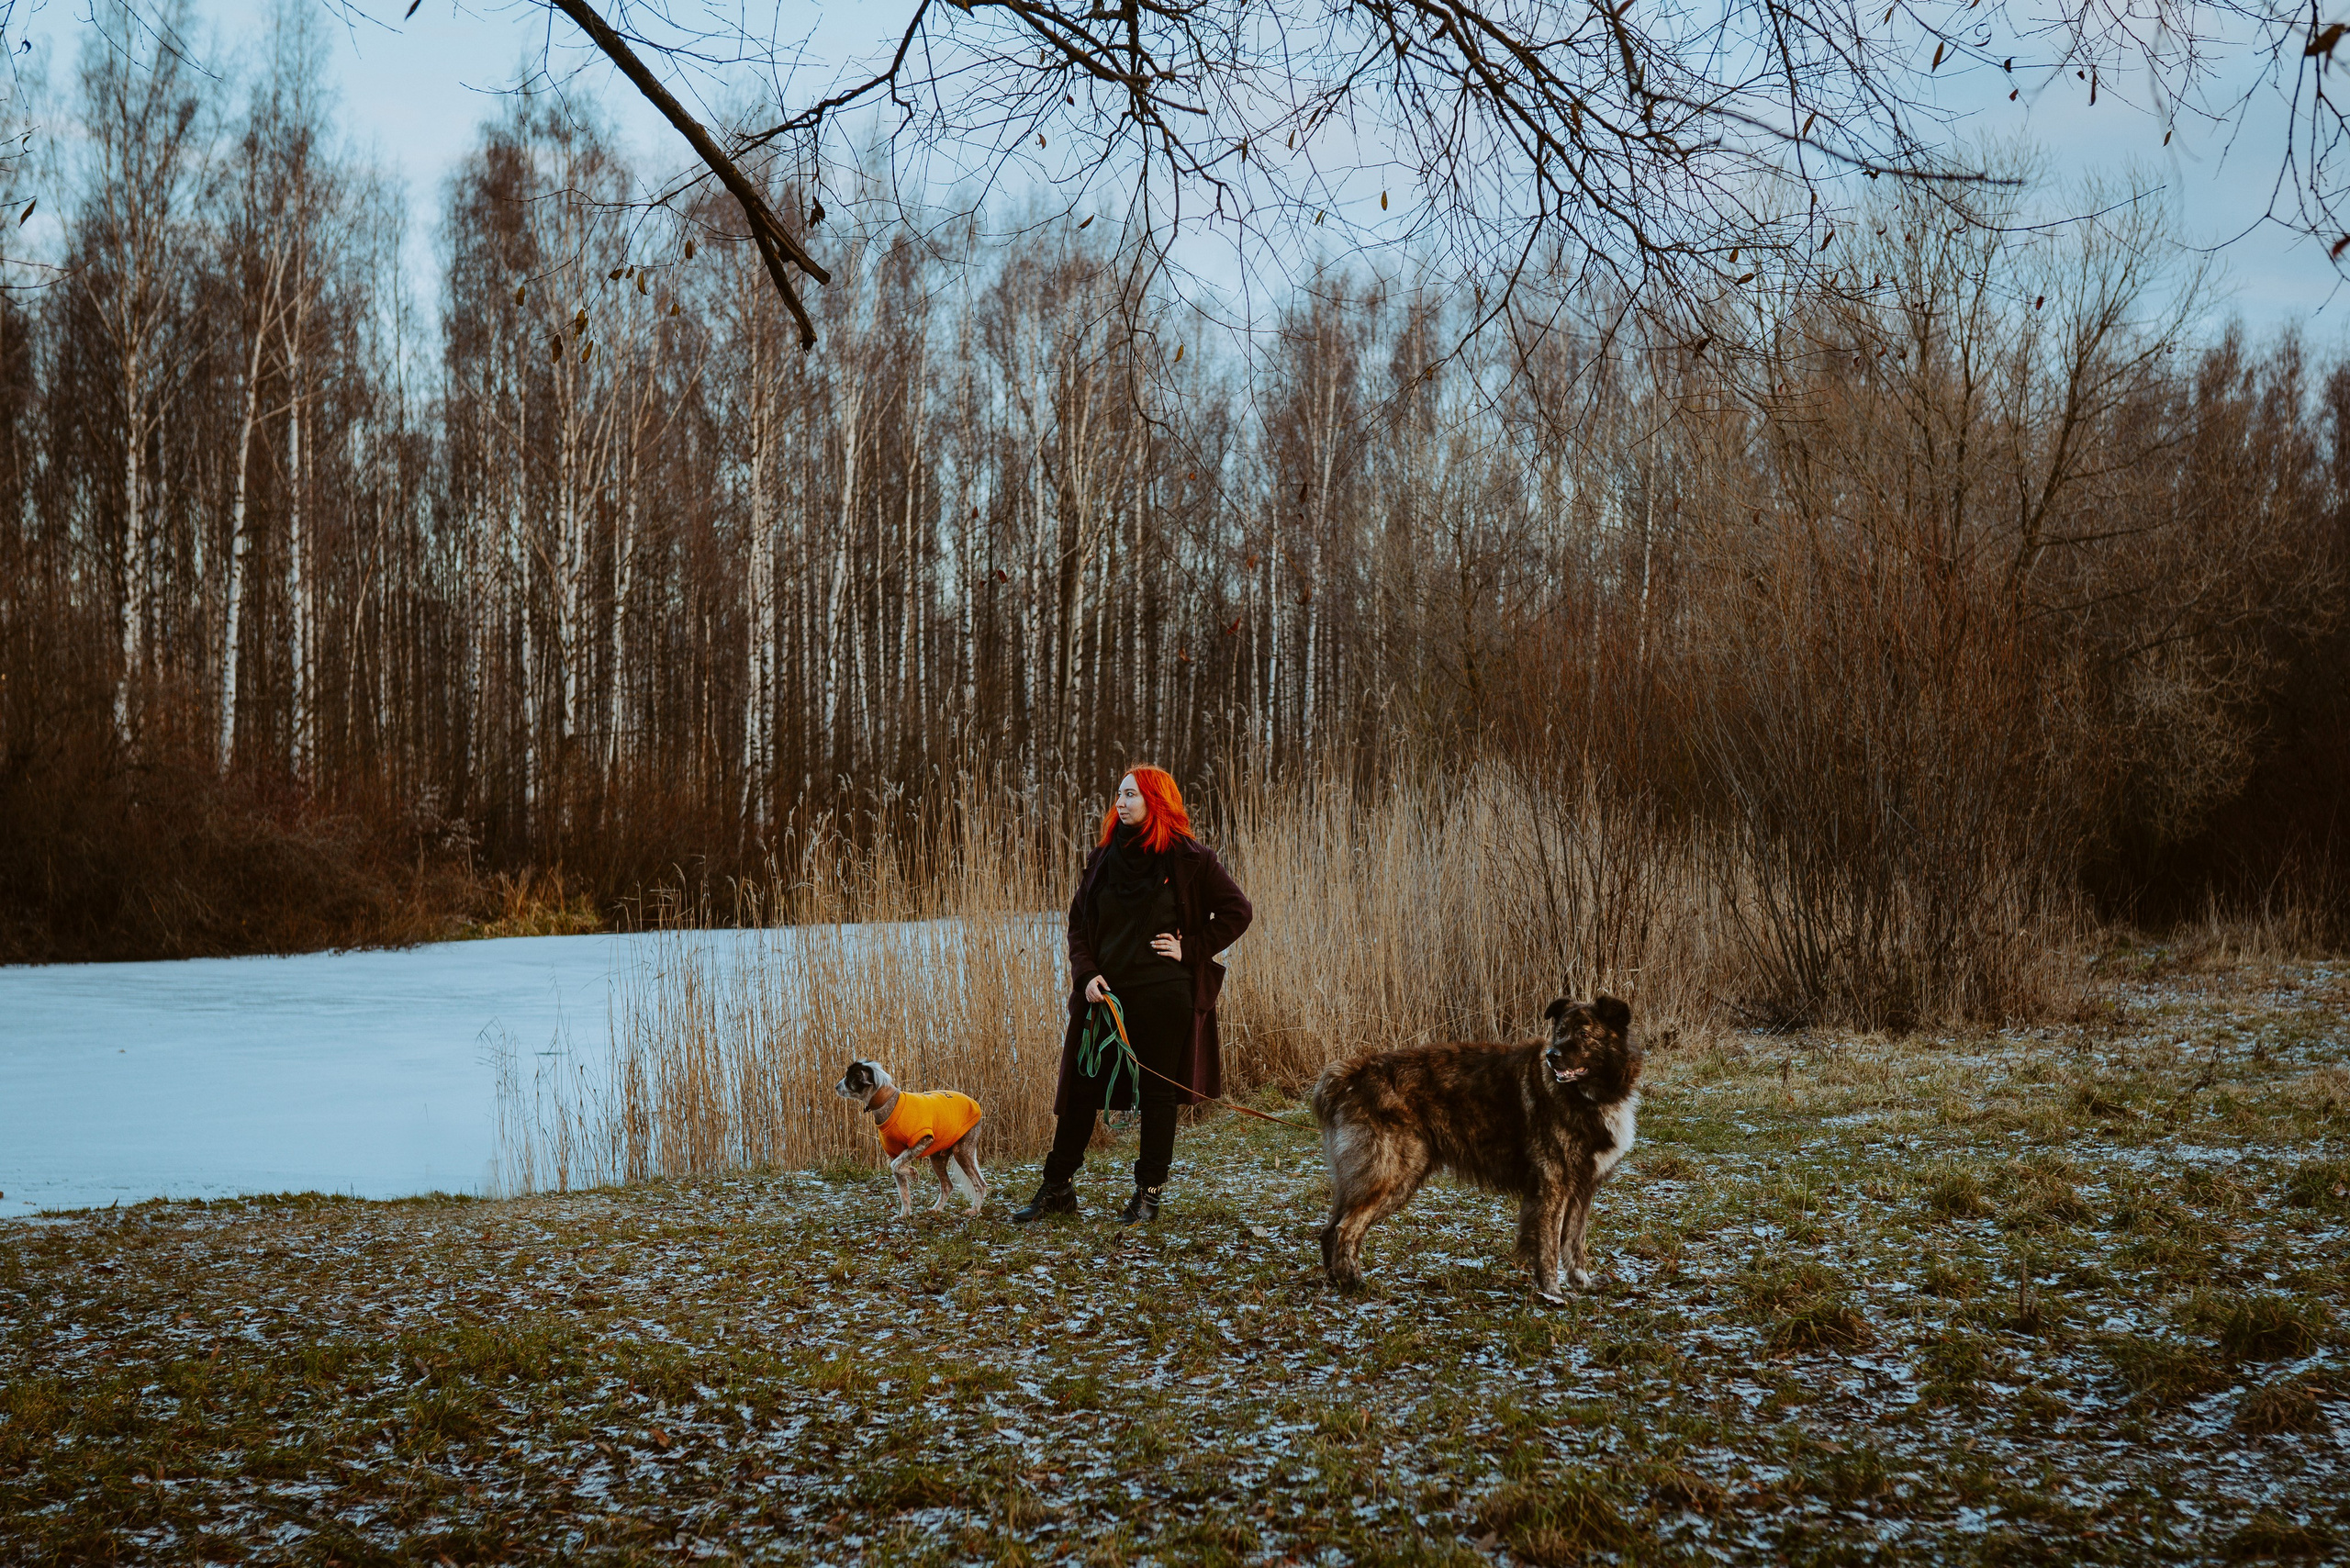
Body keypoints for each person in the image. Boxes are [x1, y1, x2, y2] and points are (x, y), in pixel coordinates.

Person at [1011, 766, 1253, 1226]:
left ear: (1156, 801)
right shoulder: (1103, 857)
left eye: (1131, 795)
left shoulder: (1190, 858)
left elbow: (1238, 911)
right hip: (1104, 996)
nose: (1120, 803)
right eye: (1119, 794)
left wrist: (1191, 949)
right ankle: (1057, 1188)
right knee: (1082, 1089)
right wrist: (1085, 974)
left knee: (1159, 1095)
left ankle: (1148, 1196)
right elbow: (1079, 924)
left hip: (1165, 995)